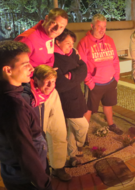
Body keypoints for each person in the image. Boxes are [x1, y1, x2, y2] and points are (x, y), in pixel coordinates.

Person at [0, 41, 52, 190]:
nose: (31, 68)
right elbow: (25, 152)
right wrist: (45, 184)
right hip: (26, 181)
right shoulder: (12, 107)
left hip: (13, 174)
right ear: (8, 70)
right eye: (25, 64)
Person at [22, 65, 71, 181]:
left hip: (51, 99)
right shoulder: (27, 95)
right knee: (37, 138)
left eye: (53, 81)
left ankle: (58, 167)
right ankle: (41, 168)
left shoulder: (52, 91)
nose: (50, 85)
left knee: (59, 132)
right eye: (47, 81)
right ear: (36, 80)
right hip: (37, 101)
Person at [77, 13, 123, 135]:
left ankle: (111, 124)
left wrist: (116, 77)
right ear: (92, 26)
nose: (102, 29)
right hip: (94, 83)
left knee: (108, 105)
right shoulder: (84, 42)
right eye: (99, 26)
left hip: (110, 81)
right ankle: (83, 133)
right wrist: (89, 82)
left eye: (104, 26)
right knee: (88, 109)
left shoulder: (110, 40)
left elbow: (115, 60)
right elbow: (82, 66)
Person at [54, 29, 89, 165]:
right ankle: (80, 144)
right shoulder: (54, 58)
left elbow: (84, 68)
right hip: (66, 99)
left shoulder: (72, 53)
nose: (71, 46)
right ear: (57, 41)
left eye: (72, 43)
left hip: (76, 94)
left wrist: (71, 76)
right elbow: (60, 84)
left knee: (72, 128)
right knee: (82, 125)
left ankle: (72, 154)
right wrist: (77, 75)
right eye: (67, 43)